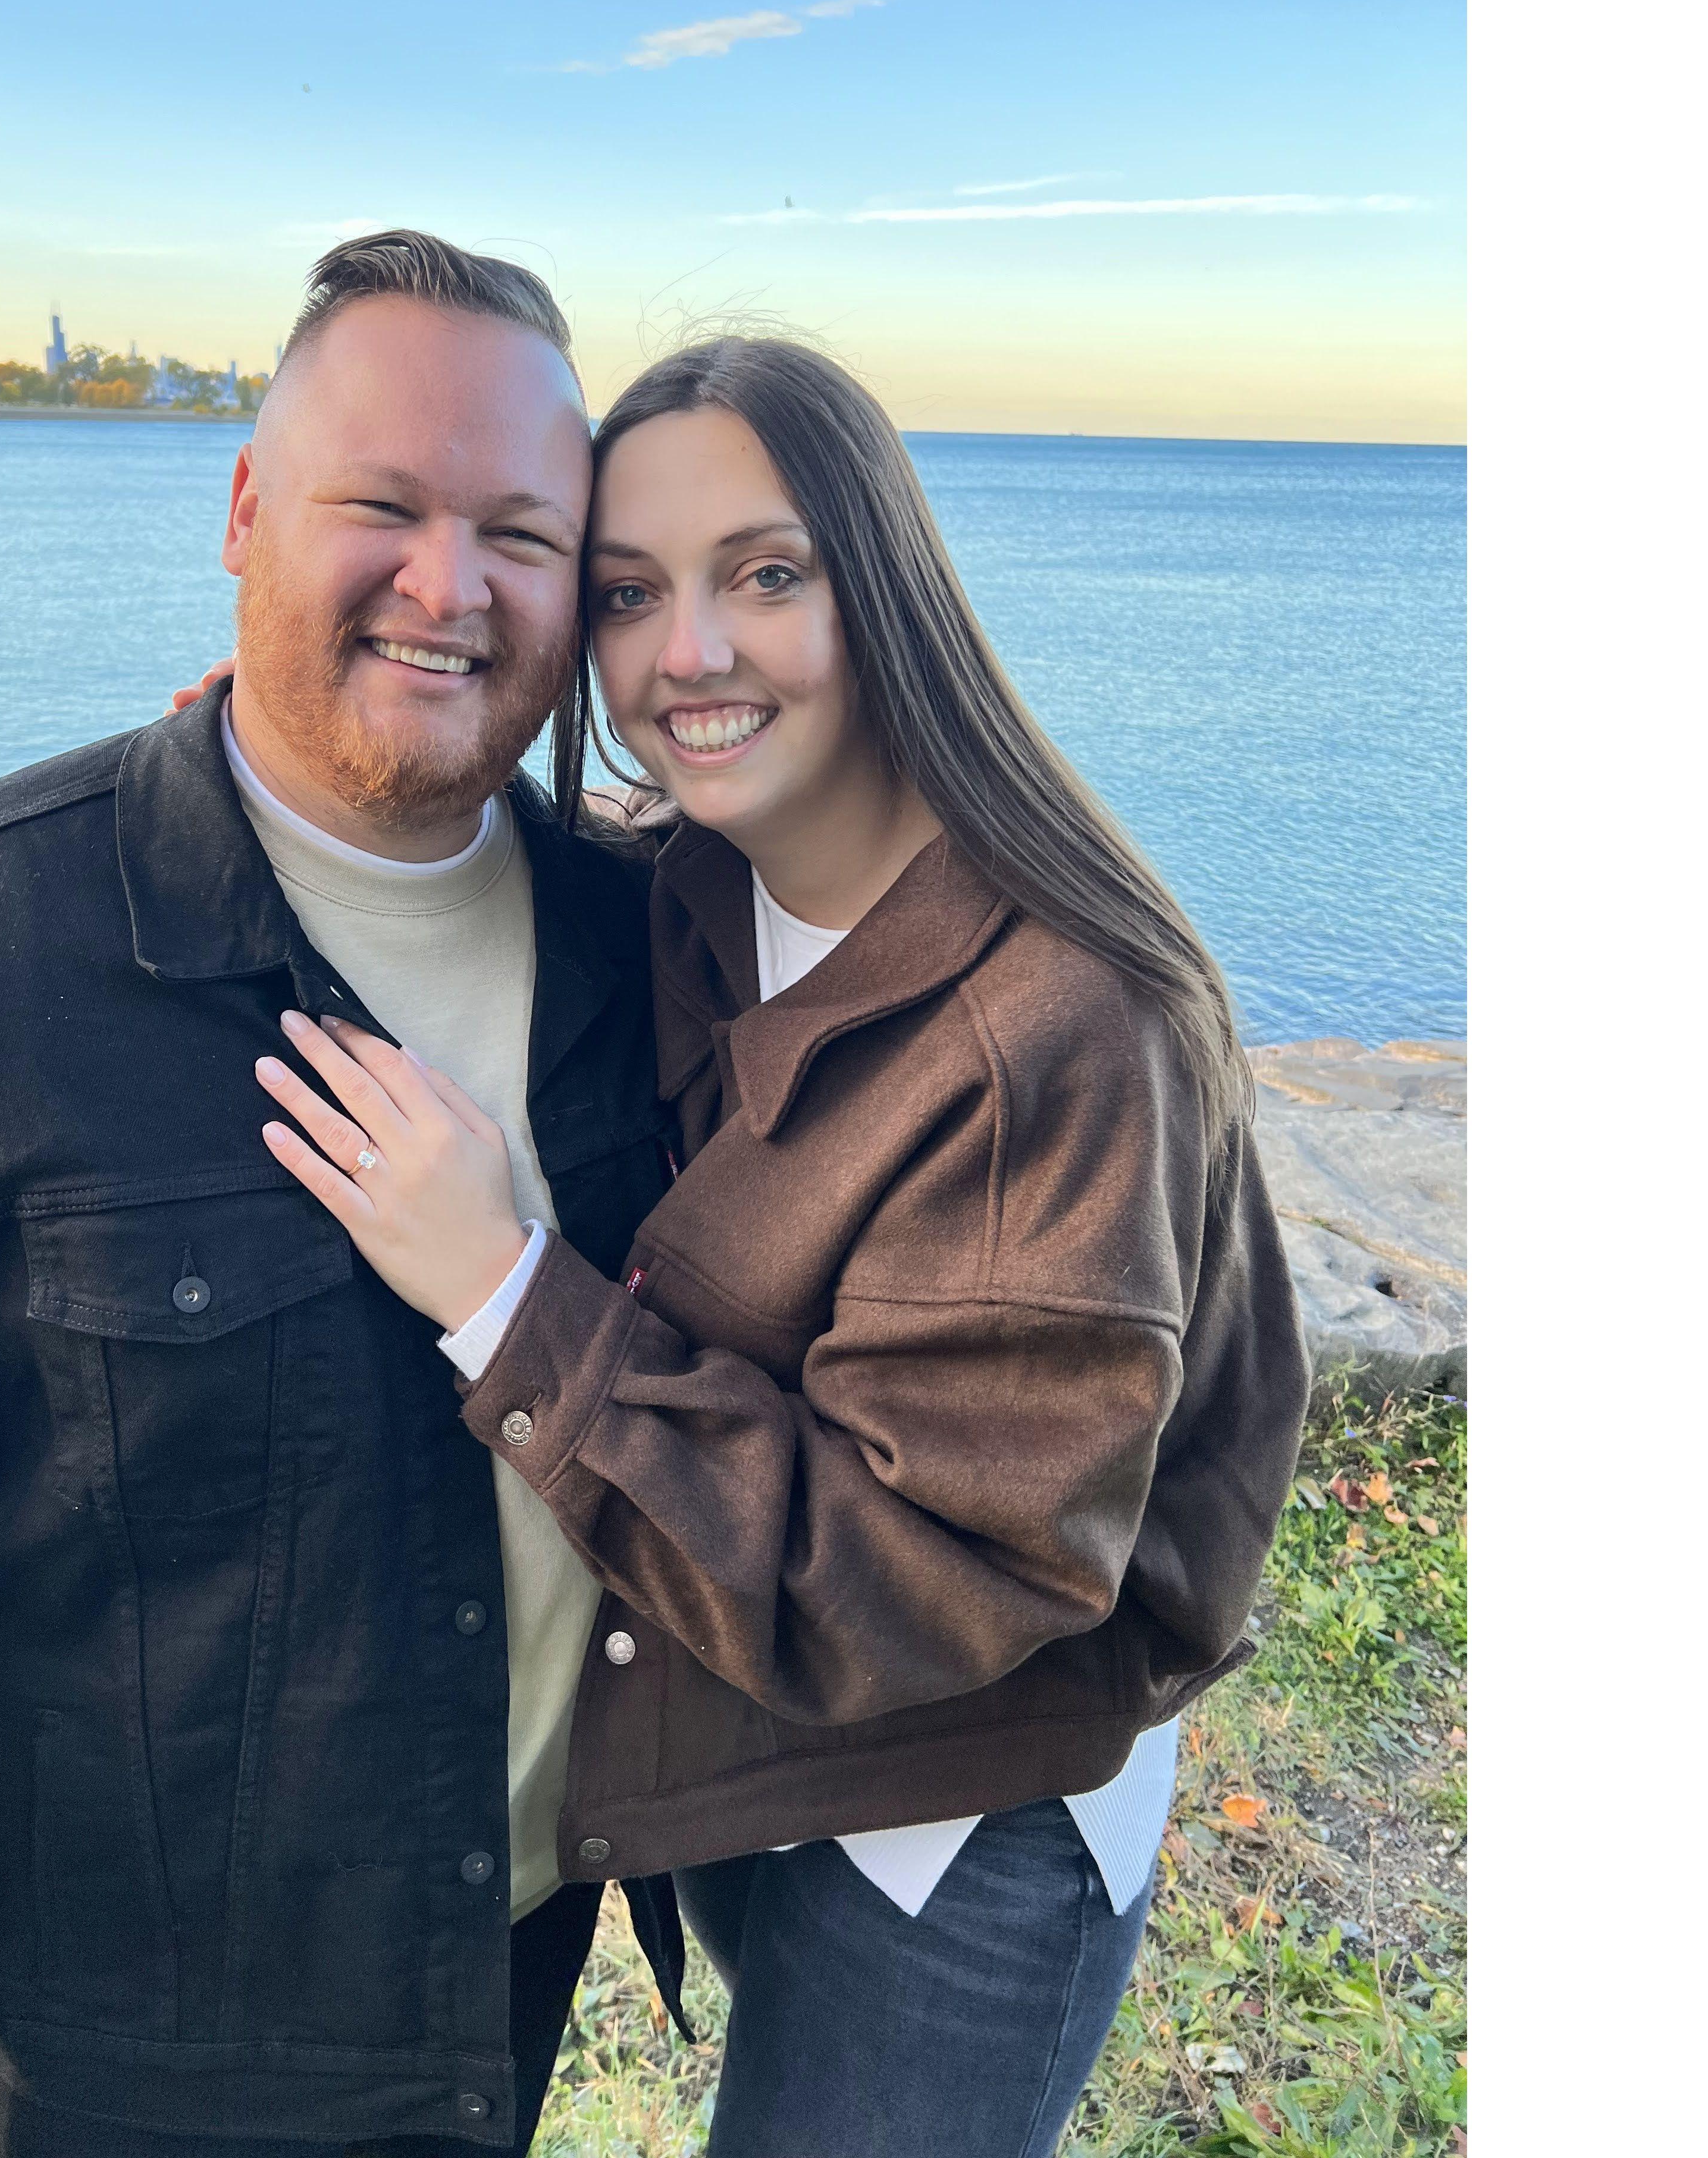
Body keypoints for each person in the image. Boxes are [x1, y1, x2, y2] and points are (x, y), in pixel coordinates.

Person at [0, 231, 684, 2158]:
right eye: (377, 504)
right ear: (242, 512)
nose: (447, 584)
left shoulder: (655, 953)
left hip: (515, 1970)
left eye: (522, 534)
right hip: (137, 2063)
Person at [249, 337, 1314, 2157]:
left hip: (961, 1819)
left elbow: (932, 1588)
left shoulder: (1060, 1028)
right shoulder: (705, 883)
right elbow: (565, 839)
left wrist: (503, 1292)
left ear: (882, 585)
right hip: (757, 1738)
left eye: (766, 575)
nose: (692, 655)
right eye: (630, 593)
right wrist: (303, 753)